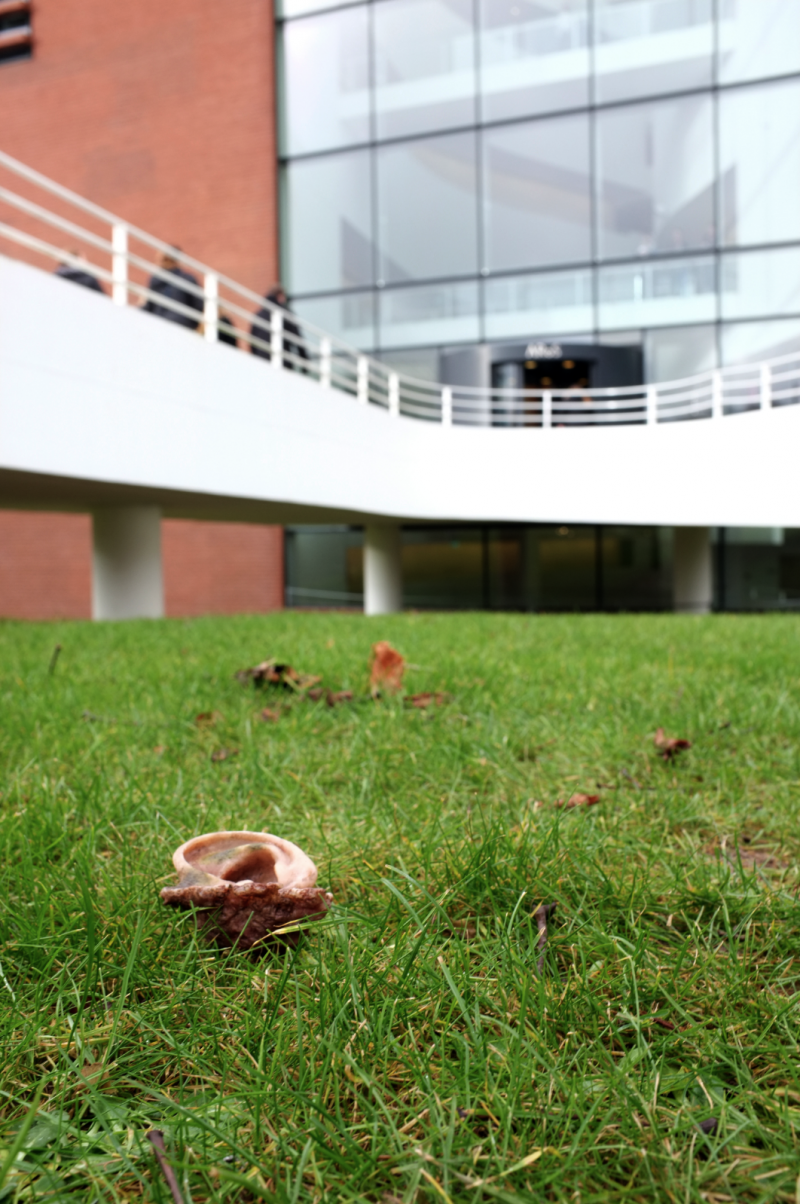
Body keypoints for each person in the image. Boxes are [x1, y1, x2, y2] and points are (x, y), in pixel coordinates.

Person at [142, 247, 203, 329]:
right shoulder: (155, 280)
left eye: (161, 260)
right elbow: (149, 306)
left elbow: (199, 306)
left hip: (179, 327)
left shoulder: (187, 279)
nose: (158, 264)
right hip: (158, 325)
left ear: (169, 260)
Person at [249, 286, 308, 370]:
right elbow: (297, 338)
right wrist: (304, 362)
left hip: (261, 363)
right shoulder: (285, 313)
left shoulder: (258, 315)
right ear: (280, 297)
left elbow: (252, 342)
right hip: (282, 363)